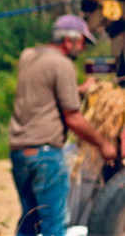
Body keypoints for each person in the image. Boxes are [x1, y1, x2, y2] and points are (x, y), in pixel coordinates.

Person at [9, 14, 118, 236]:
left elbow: (45, 90)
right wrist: (103, 145)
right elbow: (73, 118)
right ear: (68, 41)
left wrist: (79, 89)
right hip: (46, 156)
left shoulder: (28, 56)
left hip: (20, 154)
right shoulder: (63, 64)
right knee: (54, 226)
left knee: (30, 223)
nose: (83, 48)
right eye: (82, 42)